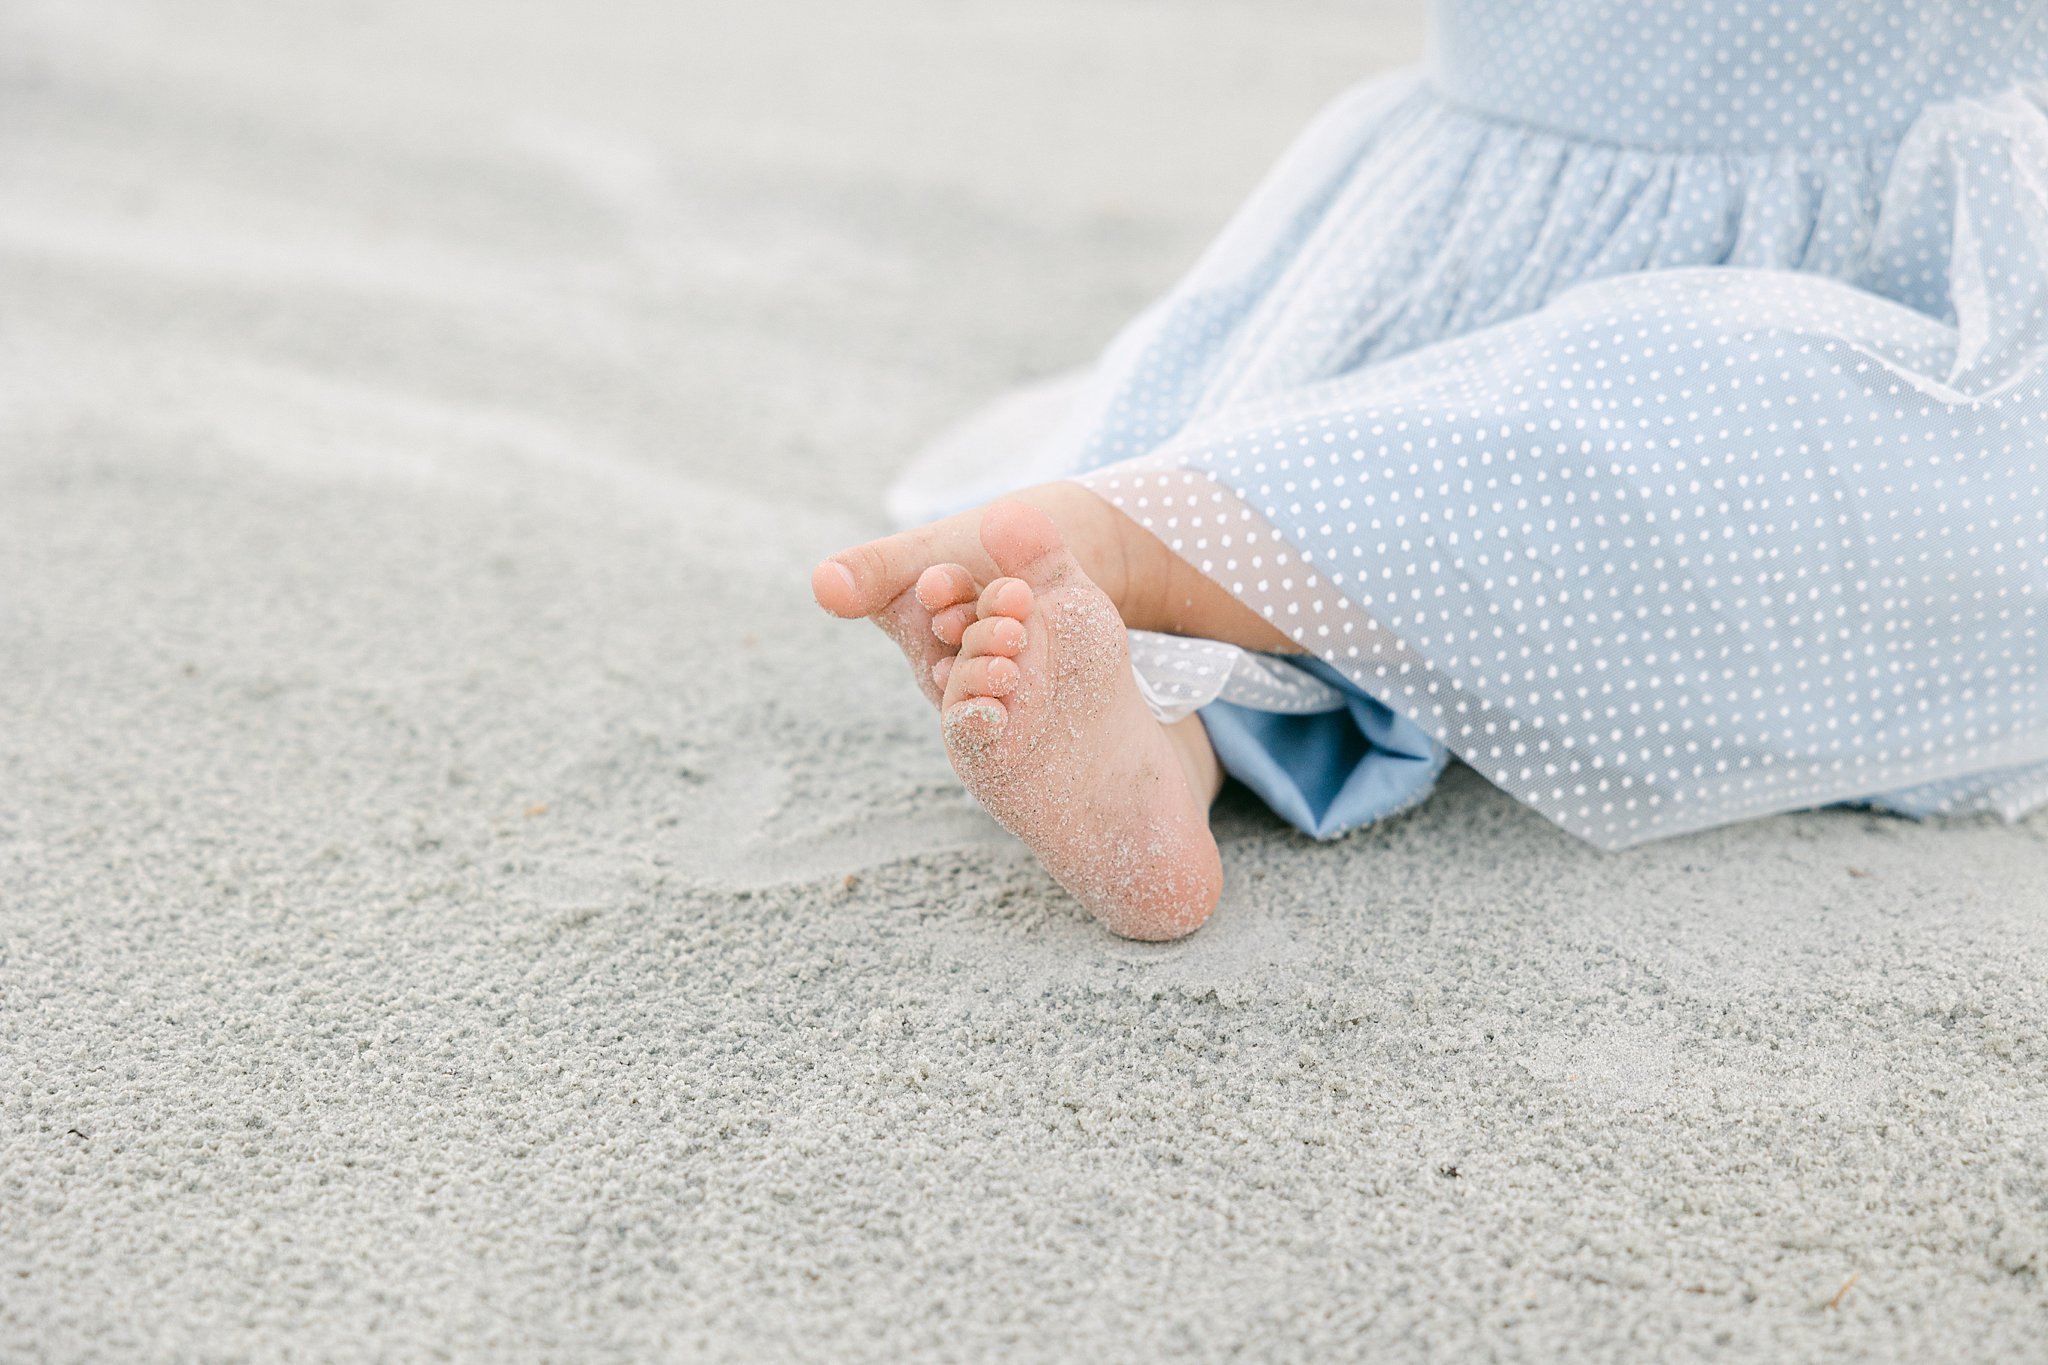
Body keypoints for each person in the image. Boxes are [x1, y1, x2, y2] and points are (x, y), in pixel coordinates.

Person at [813, 0, 2048, 941]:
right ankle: (1159, 720)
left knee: (1610, 428)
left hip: (1863, 272)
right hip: (1517, 245)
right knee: (1492, 460)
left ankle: (1153, 570)